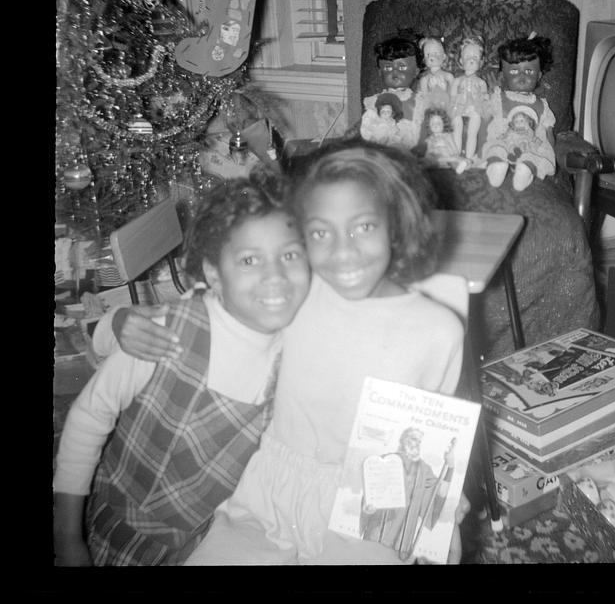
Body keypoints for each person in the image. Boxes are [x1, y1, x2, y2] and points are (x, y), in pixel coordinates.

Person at [107, 141, 468, 564]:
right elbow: (205, 305)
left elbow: (443, 429)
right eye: (320, 233)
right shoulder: (297, 291)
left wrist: (448, 490)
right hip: (269, 492)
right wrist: (118, 322)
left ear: (396, 223)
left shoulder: (438, 332)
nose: (343, 250)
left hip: (371, 507)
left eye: (364, 227)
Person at [52, 169, 311, 565]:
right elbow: (88, 419)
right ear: (213, 273)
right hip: (105, 525)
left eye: (290, 255)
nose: (274, 275)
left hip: (193, 545)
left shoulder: (294, 355)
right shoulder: (167, 332)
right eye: (249, 260)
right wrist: (68, 538)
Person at [360, 428, 456, 561]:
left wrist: (450, 466)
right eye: (413, 439)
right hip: (376, 537)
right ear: (402, 440)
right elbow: (368, 498)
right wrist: (368, 509)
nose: (416, 443)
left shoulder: (424, 470)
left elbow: (437, 495)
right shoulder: (383, 461)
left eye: (419, 441)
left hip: (402, 546)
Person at [484, 33, 558, 174]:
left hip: (529, 148)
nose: (522, 77)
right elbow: (484, 117)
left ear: (539, 75)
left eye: (529, 71)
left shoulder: (542, 106)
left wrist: (552, 155)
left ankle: (524, 173)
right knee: (496, 150)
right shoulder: (498, 98)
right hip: (503, 143)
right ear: (502, 75)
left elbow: (549, 135)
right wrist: (488, 93)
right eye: (514, 71)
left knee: (531, 159)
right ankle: (496, 169)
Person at [483, 106, 556, 191]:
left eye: (522, 121)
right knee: (499, 149)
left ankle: (523, 174)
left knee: (528, 156)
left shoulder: (530, 134)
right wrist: (502, 137)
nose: (519, 123)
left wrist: (537, 145)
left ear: (529, 122)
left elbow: (537, 142)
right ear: (513, 124)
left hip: (524, 150)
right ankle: (497, 169)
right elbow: (504, 137)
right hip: (510, 148)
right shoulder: (511, 132)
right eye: (516, 121)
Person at [449, 36, 491, 160]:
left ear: (481, 62)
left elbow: (484, 95)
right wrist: (453, 106)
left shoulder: (481, 82)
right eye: (467, 57)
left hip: (474, 107)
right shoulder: (457, 80)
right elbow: (452, 96)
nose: (471, 60)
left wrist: (485, 97)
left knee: (474, 128)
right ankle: (456, 154)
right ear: (461, 61)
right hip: (459, 106)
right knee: (456, 123)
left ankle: (469, 156)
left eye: (476, 57)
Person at [414, 107, 469, 174]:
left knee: (456, 161)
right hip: (436, 160)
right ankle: (421, 167)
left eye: (438, 123)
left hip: (449, 159)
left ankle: (458, 168)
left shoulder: (448, 136)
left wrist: (445, 144)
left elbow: (455, 150)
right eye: (432, 123)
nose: (436, 125)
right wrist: (433, 148)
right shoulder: (430, 139)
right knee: (427, 161)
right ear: (429, 125)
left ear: (444, 124)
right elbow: (428, 153)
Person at [414, 36, 453, 121]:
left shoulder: (448, 76)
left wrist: (445, 91)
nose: (432, 57)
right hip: (432, 110)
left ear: (444, 56)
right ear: (424, 60)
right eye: (428, 54)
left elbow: (454, 94)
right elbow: (424, 98)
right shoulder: (424, 79)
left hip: (448, 108)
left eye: (436, 53)